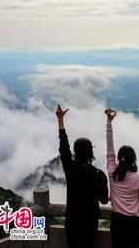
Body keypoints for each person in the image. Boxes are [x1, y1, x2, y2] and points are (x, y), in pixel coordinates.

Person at [56, 104, 109, 248]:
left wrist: (60, 120)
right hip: (90, 221)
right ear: (90, 153)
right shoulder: (99, 174)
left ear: (75, 152)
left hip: (72, 219)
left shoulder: (70, 168)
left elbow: (63, 148)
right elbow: (104, 200)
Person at [105, 109, 139, 248]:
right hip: (134, 222)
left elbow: (110, 149)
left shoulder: (112, 172)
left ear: (118, 158)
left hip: (117, 220)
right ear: (134, 160)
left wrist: (109, 122)